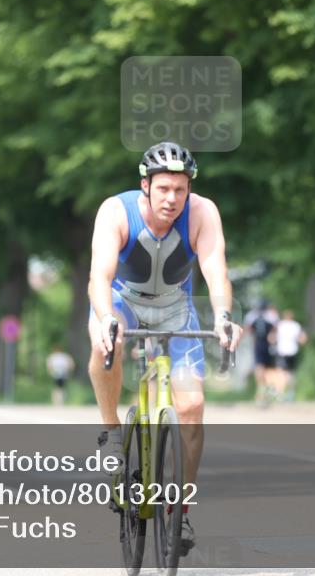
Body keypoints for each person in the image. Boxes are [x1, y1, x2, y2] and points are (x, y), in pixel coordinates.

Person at [87, 141, 243, 554]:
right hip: (122, 302)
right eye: (164, 189)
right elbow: (99, 278)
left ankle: (180, 512)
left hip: (176, 308)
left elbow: (216, 270)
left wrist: (224, 318)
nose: (172, 198)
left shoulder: (203, 213)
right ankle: (112, 431)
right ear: (146, 186)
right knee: (108, 340)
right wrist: (105, 319)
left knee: (191, 409)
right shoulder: (115, 211)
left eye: (180, 189)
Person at [270, 309, 307, 402]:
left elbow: (271, 337)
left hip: (282, 351)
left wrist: (272, 343)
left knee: (281, 372)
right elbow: (303, 338)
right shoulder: (296, 325)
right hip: (293, 351)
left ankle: (281, 393)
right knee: (291, 373)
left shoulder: (280, 325)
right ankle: (291, 393)